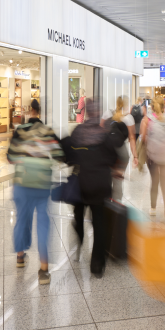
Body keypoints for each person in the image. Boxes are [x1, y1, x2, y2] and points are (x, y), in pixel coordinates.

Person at [7, 99, 63, 285]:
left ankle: (20, 257)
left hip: (22, 183)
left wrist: (24, 157)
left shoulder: (20, 130)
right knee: (43, 223)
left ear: (30, 111)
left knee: (22, 218)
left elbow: (10, 157)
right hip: (42, 184)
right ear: (40, 112)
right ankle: (44, 270)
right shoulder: (47, 132)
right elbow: (59, 155)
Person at [71, 98, 123, 275]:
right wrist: (114, 169)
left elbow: (69, 155)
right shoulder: (105, 134)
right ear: (99, 113)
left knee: (78, 216)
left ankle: (79, 236)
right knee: (100, 224)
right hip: (100, 185)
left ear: (86, 112)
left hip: (81, 183)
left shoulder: (78, 132)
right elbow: (114, 158)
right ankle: (97, 264)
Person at [140, 96, 165, 219]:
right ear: (164, 106)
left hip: (153, 156)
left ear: (151, 106)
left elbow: (143, 138)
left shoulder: (147, 120)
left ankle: (153, 208)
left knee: (154, 182)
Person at [104, 96, 138, 202]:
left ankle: (105, 202)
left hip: (107, 151)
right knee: (118, 180)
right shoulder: (128, 118)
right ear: (126, 104)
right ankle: (116, 206)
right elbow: (132, 138)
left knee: (106, 178)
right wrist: (135, 156)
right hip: (121, 153)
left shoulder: (108, 114)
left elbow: (100, 130)